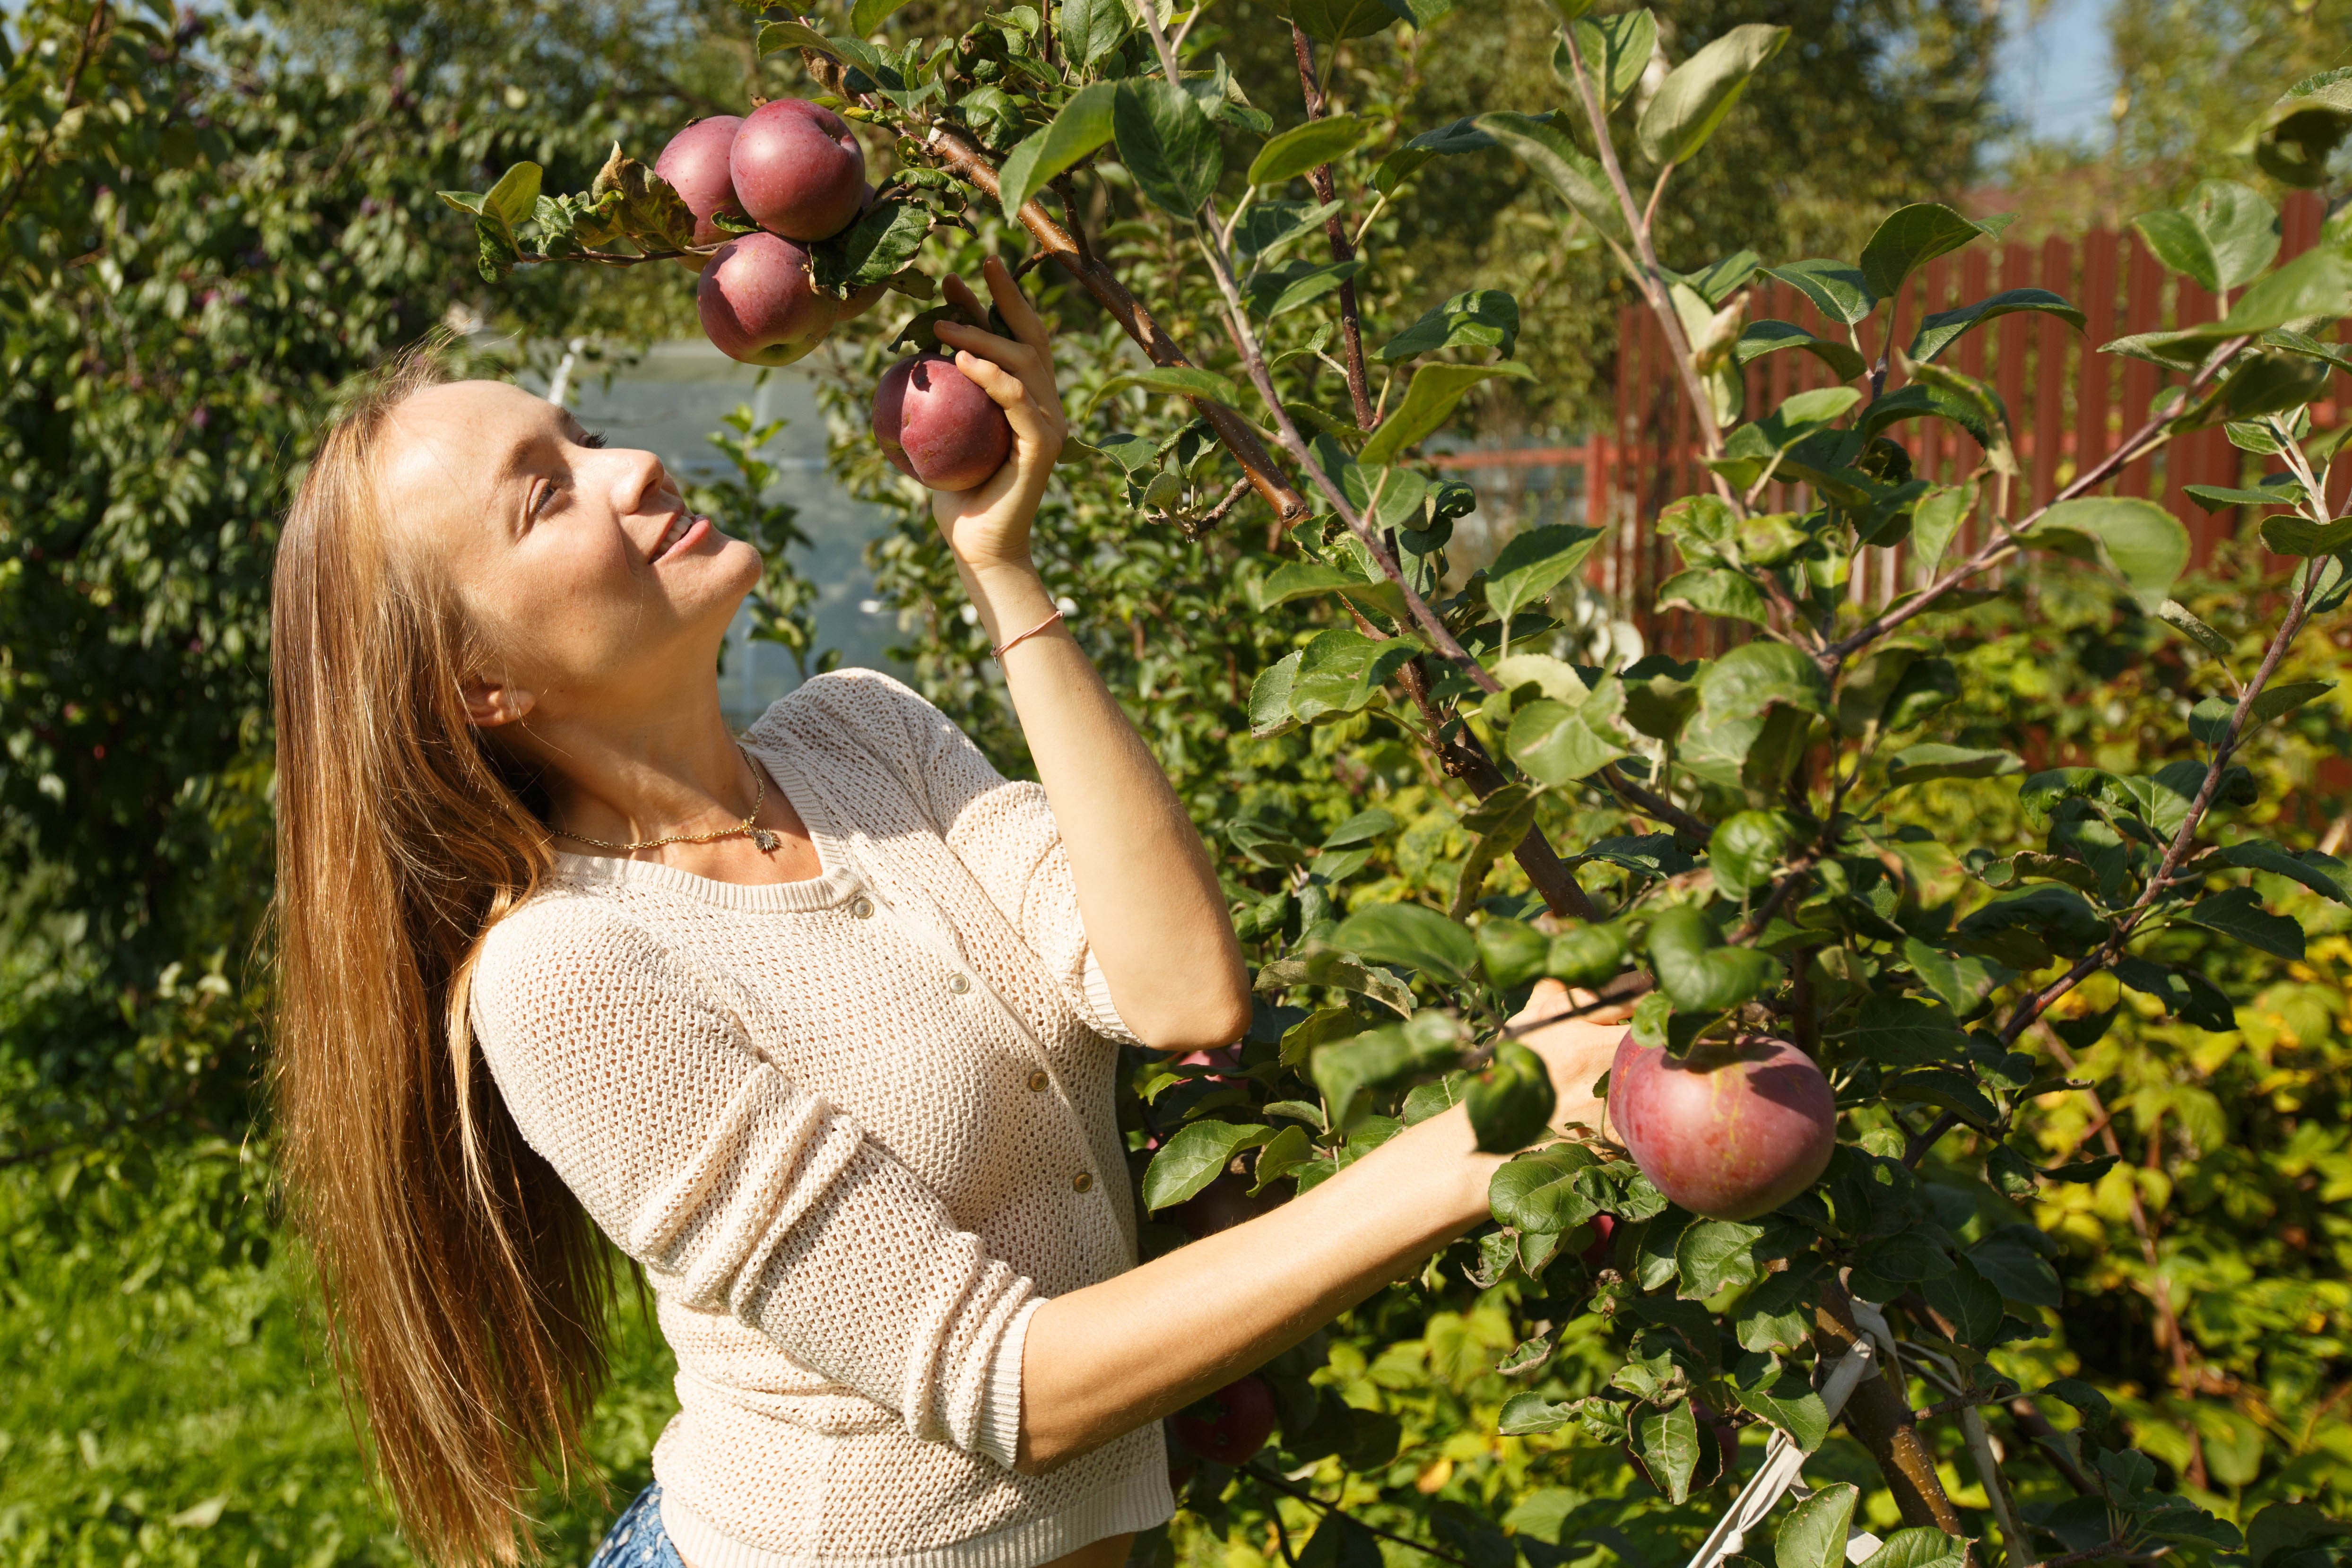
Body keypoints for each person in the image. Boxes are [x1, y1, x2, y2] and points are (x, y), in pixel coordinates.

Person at [268, 255, 1626, 1568]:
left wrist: (1000, 564)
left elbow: (1174, 992)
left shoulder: (866, 734)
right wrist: (1479, 1140)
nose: (633, 470)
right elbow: (1008, 1387)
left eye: (591, 436)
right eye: (546, 498)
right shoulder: (568, 971)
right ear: (479, 687)